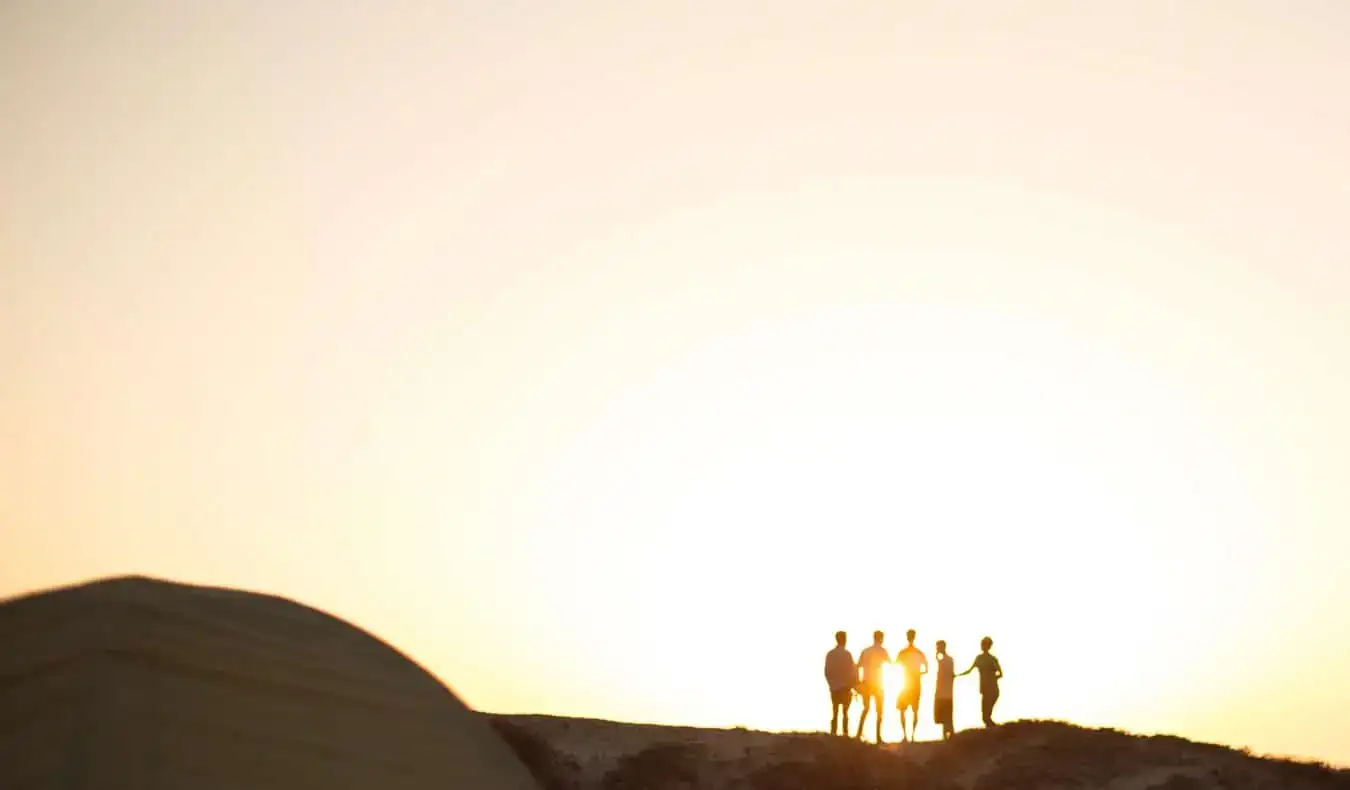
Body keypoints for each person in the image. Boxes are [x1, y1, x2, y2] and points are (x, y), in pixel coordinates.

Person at [957, 636, 1003, 727]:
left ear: (989, 646)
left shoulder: (992, 659)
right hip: (984, 689)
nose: (983, 646)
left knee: (986, 716)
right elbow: (969, 670)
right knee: (985, 716)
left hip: (992, 689)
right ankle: (991, 731)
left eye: (985, 645)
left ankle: (993, 731)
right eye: (982, 644)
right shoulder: (979, 658)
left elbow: (1000, 673)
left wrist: (992, 678)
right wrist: (957, 675)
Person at [893, 629, 928, 742]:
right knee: (915, 710)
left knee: (902, 710)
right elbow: (926, 669)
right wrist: (918, 674)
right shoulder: (919, 652)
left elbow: (895, 664)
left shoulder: (902, 652)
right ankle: (912, 735)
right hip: (916, 683)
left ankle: (905, 735)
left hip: (905, 683)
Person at [855, 630, 890, 743]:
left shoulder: (865, 651)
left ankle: (858, 733)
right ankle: (878, 737)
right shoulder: (882, 651)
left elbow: (858, 665)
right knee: (879, 711)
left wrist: (858, 682)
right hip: (877, 683)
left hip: (866, 682)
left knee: (866, 708)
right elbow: (890, 663)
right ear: (881, 638)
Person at [823, 631, 857, 736]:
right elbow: (853, 670)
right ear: (845, 640)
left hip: (834, 687)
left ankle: (833, 733)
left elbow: (826, 671)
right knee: (845, 713)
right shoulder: (847, 654)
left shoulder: (830, 654)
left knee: (835, 711)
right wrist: (853, 685)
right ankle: (845, 734)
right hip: (845, 687)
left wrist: (831, 683)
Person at [933, 640, 955, 740]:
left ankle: (948, 735)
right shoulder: (945, 660)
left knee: (946, 714)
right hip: (943, 691)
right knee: (944, 715)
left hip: (945, 691)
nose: (937, 649)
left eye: (938, 647)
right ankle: (946, 735)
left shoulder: (947, 660)